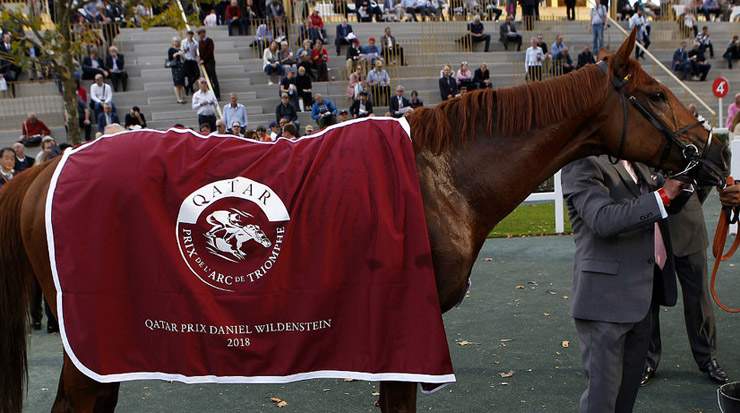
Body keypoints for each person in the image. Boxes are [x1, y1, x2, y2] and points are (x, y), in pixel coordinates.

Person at [563, 156, 689, 413]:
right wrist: (663, 195)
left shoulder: (640, 163)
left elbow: (660, 207)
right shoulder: (581, 163)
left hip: (641, 299)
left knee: (625, 400)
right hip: (603, 304)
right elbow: (603, 220)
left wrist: (685, 182)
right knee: (601, 402)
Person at [642, 175, 729, 386]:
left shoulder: (690, 141)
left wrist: (691, 196)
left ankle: (707, 358)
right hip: (647, 227)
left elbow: (709, 171)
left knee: (698, 297)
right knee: (647, 298)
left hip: (688, 225)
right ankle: (647, 361)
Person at [197, 28, 220, 100]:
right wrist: (200, 59)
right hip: (204, 63)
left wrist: (203, 60)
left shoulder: (209, 41)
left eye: (201, 33)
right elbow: (200, 53)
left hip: (210, 62)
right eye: (199, 34)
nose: (200, 35)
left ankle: (217, 95)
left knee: (213, 78)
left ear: (204, 33)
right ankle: (211, 95)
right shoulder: (200, 42)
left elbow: (210, 52)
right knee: (207, 80)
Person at [168, 37, 187, 104]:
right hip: (175, 67)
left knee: (182, 83)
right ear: (173, 42)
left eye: (177, 41)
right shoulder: (171, 49)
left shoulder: (180, 49)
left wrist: (181, 54)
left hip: (181, 67)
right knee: (176, 83)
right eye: (175, 41)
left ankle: (183, 97)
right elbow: (170, 59)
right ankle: (178, 98)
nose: (176, 42)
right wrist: (175, 55)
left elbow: (184, 59)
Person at [181, 30, 199, 95]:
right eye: (188, 34)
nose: (190, 36)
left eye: (191, 34)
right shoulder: (184, 42)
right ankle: (190, 89)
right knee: (189, 76)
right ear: (187, 35)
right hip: (187, 60)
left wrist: (198, 58)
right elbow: (182, 51)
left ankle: (188, 86)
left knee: (197, 74)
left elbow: (196, 52)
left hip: (193, 60)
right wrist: (185, 51)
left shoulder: (195, 43)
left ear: (192, 35)